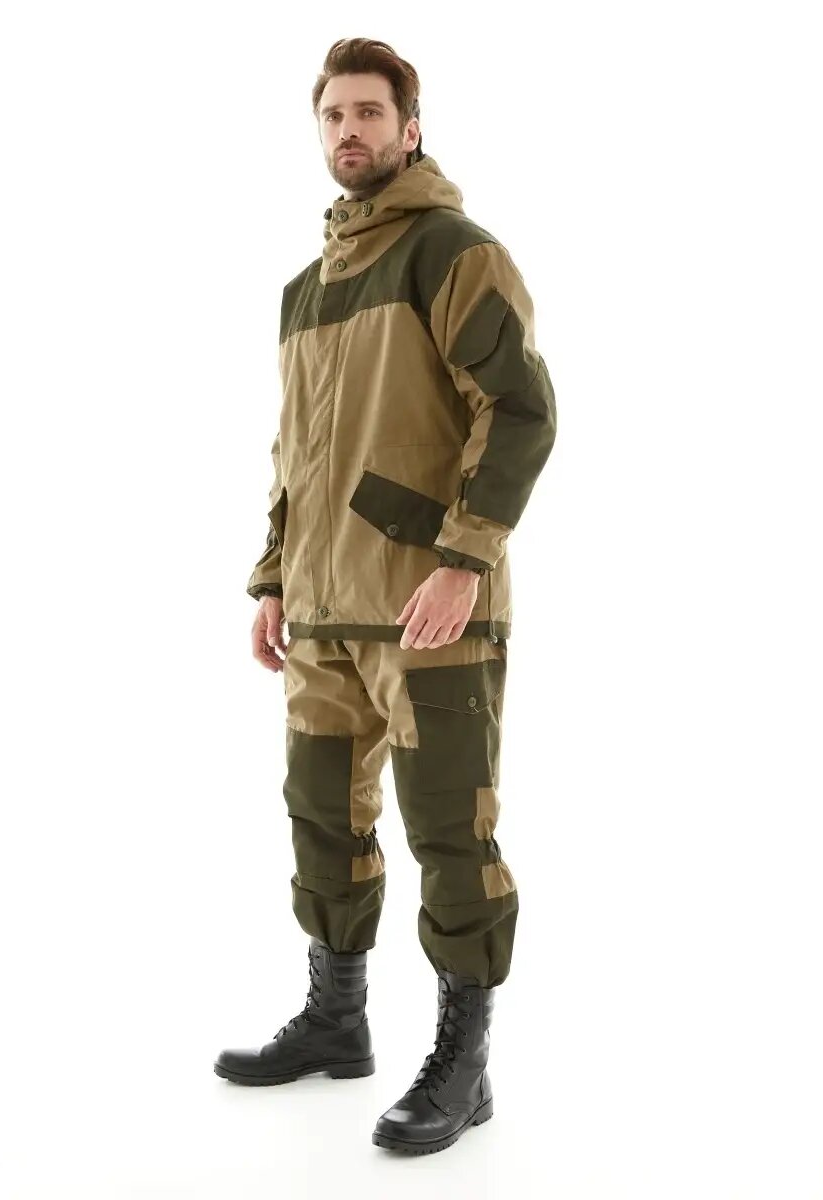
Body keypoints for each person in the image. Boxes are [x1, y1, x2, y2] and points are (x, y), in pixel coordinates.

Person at [214, 37, 557, 1156]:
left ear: (410, 129)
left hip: (427, 609)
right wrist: (275, 579)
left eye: (369, 112)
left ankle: (466, 1065)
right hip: (321, 617)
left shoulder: (454, 253)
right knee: (321, 818)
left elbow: (520, 410)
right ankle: (337, 1019)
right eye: (333, 115)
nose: (348, 130)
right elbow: (295, 455)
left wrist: (464, 560)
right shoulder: (303, 292)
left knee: (451, 832)